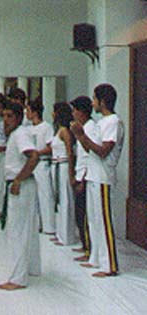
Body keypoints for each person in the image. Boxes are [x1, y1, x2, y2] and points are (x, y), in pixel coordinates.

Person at [70, 84, 124, 278]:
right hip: (93, 175)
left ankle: (110, 265)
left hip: (103, 177)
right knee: (93, 220)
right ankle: (96, 258)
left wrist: (81, 135)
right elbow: (88, 149)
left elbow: (103, 151)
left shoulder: (113, 122)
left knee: (103, 221)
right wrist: (80, 136)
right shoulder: (102, 122)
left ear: (102, 101)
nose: (92, 103)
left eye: (94, 99)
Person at [0, 101, 40, 291]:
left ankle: (18, 278)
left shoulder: (20, 134)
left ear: (19, 117)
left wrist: (17, 180)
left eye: (9, 116)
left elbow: (34, 156)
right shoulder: (17, 134)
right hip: (24, 185)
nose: (5, 120)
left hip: (20, 186)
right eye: (3, 116)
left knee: (18, 232)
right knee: (28, 230)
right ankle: (31, 269)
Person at [70, 96, 96, 262]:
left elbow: (90, 155)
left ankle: (89, 250)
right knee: (80, 214)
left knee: (85, 216)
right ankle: (85, 246)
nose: (73, 113)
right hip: (80, 175)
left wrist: (83, 180)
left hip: (86, 177)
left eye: (74, 110)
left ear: (81, 111)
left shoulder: (90, 128)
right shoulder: (82, 127)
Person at [26, 100, 56, 234]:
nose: (26, 113)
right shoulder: (27, 128)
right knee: (32, 196)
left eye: (28, 110)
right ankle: (36, 225)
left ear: (35, 112)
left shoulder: (46, 127)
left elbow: (51, 147)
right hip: (29, 164)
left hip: (41, 163)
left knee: (45, 195)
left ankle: (49, 227)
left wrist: (37, 153)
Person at [50, 102, 77, 246]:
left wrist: (71, 173)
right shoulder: (58, 130)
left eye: (54, 111)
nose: (52, 114)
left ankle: (66, 236)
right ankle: (60, 233)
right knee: (58, 200)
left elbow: (70, 153)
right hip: (56, 166)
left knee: (65, 199)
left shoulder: (65, 131)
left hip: (64, 166)